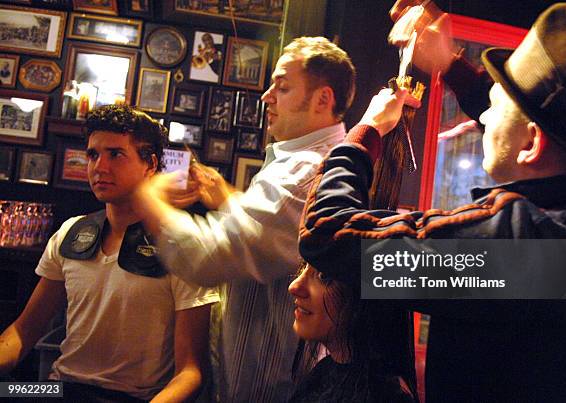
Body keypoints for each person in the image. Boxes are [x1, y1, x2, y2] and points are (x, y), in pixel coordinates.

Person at [299, 3, 566, 402]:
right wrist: (449, 65)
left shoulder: (512, 257)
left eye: (496, 106)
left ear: (532, 143)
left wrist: (367, 132)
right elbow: (530, 129)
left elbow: (327, 235)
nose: (483, 116)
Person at [133, 36, 356, 402]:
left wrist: (148, 197)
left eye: (282, 87)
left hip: (269, 390)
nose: (267, 96)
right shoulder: (306, 162)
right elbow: (280, 240)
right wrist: (229, 198)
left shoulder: (304, 171)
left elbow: (205, 256)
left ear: (322, 100)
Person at [0, 105, 219, 402]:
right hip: (56, 389)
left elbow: (192, 372)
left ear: (150, 164)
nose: (99, 167)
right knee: (11, 393)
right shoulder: (71, 232)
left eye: (115, 154)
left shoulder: (181, 245)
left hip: (129, 398)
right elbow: (23, 332)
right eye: (93, 155)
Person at [288, 262, 416, 402]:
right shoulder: (323, 372)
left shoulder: (384, 396)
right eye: (303, 266)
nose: (294, 286)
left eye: (323, 276)